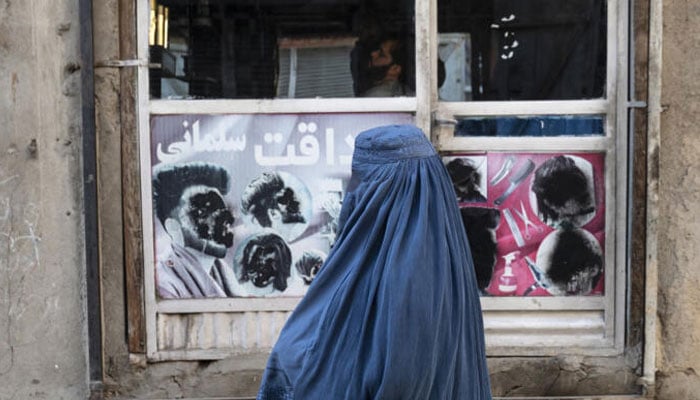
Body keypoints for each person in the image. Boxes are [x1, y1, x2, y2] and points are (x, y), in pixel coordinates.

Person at [256, 124, 492, 399]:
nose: (355, 191)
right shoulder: (446, 260)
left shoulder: (400, 275)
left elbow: (397, 375)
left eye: (362, 180)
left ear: (383, 188)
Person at [152, 162, 239, 299]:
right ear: (173, 228)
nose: (221, 221)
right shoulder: (164, 284)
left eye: (221, 211)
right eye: (203, 214)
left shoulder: (227, 275)